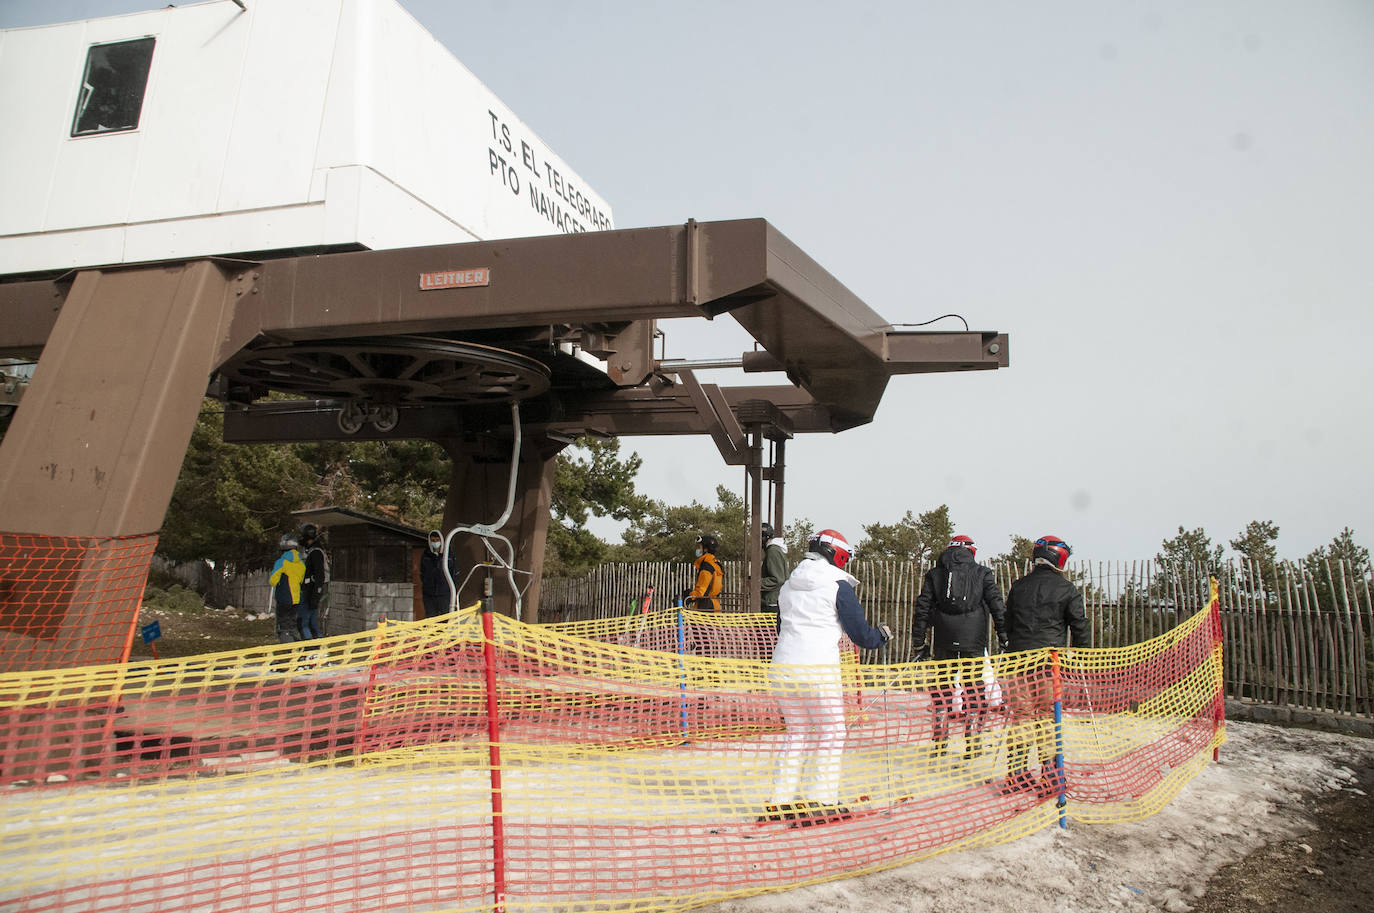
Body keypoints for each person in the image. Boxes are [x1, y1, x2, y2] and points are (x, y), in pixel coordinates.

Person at [763, 528, 892, 823]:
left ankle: (779, 801)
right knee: (832, 731)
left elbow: (782, 628)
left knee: (798, 731)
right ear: (837, 555)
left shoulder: (788, 585)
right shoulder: (837, 585)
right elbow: (861, 634)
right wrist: (880, 636)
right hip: (818, 669)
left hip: (783, 667)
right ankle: (819, 799)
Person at [1000, 534, 1089, 796]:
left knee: (1021, 718)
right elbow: (1079, 626)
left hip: (1018, 662)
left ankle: (1016, 774)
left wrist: (1010, 645)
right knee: (1046, 719)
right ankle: (1049, 777)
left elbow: (1007, 622)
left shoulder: (1019, 586)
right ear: (1058, 558)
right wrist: (1081, 657)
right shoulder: (1067, 589)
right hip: (1048, 665)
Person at [910, 534, 1009, 762]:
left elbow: (923, 606)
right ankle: (973, 742)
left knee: (942, 688)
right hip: (973, 638)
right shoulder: (982, 573)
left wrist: (919, 640)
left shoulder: (935, 574)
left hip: (944, 637)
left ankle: (940, 741)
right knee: (974, 687)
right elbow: (996, 604)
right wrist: (1004, 634)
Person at [268, 534, 305, 644]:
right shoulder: (301, 563)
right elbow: (301, 580)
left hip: (284, 598)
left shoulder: (281, 562)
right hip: (296, 599)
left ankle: (288, 652)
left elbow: (273, 581)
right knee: (292, 625)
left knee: (283, 627)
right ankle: (297, 648)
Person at [298, 523, 328, 639]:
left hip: (312, 591)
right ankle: (318, 647)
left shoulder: (315, 552)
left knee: (304, 622)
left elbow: (319, 575)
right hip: (311, 590)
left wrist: (315, 595)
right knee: (311, 622)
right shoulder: (313, 550)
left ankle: (310, 649)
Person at [420, 529, 459, 617]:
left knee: (445, 617)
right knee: (431, 617)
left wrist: (450, 589)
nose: (435, 543)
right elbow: (422, 573)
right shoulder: (426, 555)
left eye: (437, 540)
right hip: (429, 593)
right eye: (433, 541)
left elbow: (454, 573)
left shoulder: (449, 555)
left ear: (441, 540)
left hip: (445, 593)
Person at [684, 533, 724, 612]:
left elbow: (702, 590)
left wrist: (689, 597)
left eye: (699, 547)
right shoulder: (715, 564)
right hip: (714, 605)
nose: (698, 550)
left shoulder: (707, 567)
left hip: (705, 607)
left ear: (706, 549)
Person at [759, 522, 788, 626]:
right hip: (774, 601)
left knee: (765, 639)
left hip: (772, 603)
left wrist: (756, 583)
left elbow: (777, 579)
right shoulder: (775, 550)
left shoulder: (773, 551)